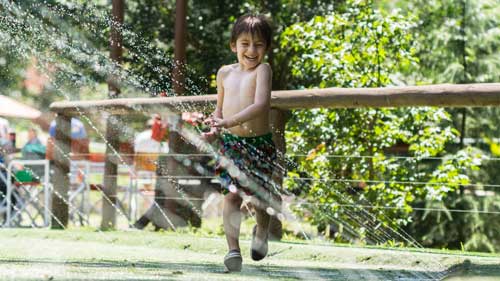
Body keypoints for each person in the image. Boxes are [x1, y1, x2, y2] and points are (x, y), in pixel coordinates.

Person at [203, 14, 280, 272]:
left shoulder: (263, 71)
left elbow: (261, 105)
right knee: (231, 197)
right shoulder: (224, 73)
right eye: (245, 43)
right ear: (233, 45)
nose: (251, 50)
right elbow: (219, 108)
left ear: (266, 48)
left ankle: (261, 232)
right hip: (231, 145)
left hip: (259, 145)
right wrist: (214, 126)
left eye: (258, 45)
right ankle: (232, 250)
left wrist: (227, 121)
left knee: (259, 198)